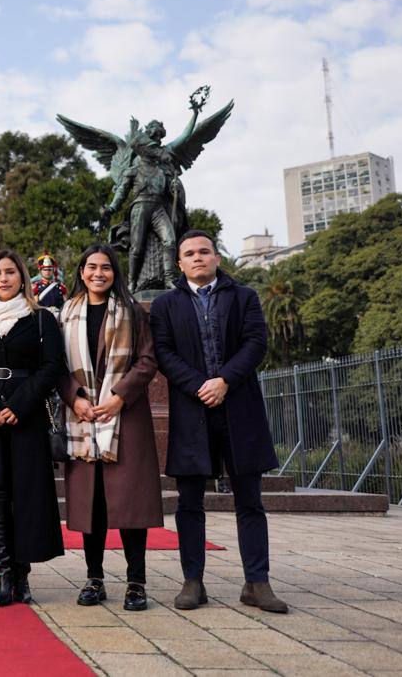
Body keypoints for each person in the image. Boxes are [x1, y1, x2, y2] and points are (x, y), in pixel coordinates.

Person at [149, 229, 288, 614]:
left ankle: (256, 583)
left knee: (250, 502)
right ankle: (193, 581)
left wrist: (224, 380)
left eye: (204, 252)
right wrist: (200, 386)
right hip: (192, 412)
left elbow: (255, 344)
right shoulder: (165, 305)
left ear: (217, 258)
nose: (197, 258)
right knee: (190, 502)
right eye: (189, 253)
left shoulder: (244, 297)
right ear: (179, 263)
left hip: (239, 409)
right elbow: (163, 352)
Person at [59, 245, 162, 612]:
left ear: (115, 273)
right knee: (93, 506)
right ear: (81, 272)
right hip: (84, 416)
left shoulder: (132, 312)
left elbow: (147, 360)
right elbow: (57, 366)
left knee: (130, 504)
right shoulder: (66, 314)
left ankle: (136, 583)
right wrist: (75, 399)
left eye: (105, 267)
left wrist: (119, 397)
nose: (98, 273)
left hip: (125, 418)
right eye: (91, 267)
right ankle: (94, 578)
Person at [0, 249, 65, 606]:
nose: (3, 279)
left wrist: (18, 405)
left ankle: (23, 575)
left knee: (25, 494)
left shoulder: (41, 320)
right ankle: (3, 571)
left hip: (26, 416)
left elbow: (51, 367)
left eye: (9, 272)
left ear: (22, 276)